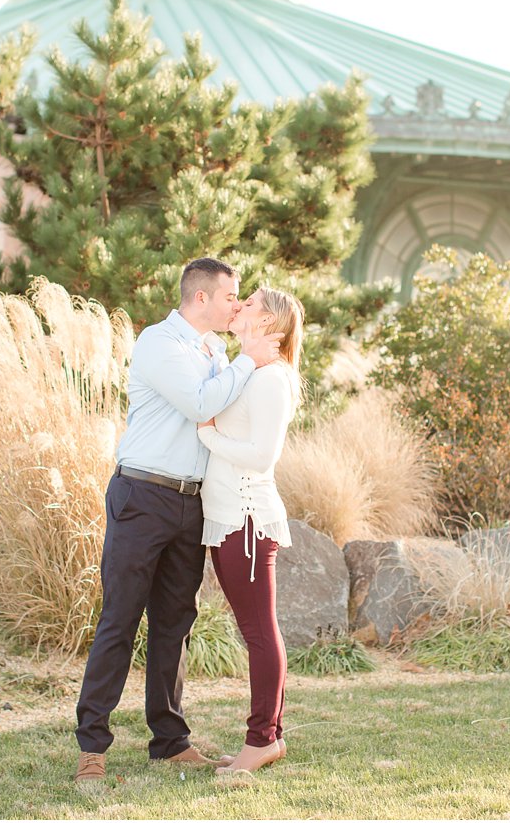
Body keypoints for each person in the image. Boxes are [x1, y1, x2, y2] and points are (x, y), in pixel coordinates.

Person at [74, 258, 281, 792]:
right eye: (231, 297)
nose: (237, 305)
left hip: (192, 504)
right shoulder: (158, 343)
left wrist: (246, 361)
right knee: (119, 620)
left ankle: (168, 741)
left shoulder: (213, 349)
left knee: (174, 624)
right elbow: (199, 404)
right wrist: (250, 360)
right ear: (201, 299)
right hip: (142, 495)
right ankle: (92, 747)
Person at [197, 286, 305, 776]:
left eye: (251, 304)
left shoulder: (272, 381)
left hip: (245, 521)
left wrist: (208, 435)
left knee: (260, 633)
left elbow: (262, 457)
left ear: (272, 326)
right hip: (228, 520)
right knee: (257, 631)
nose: (239, 307)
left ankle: (261, 740)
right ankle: (270, 737)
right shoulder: (253, 374)